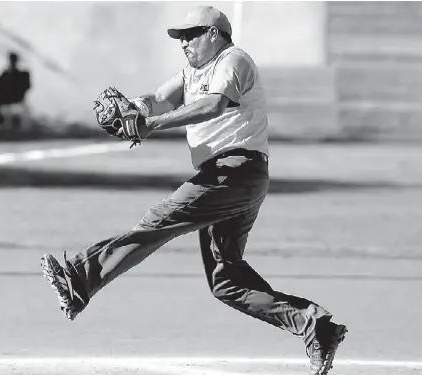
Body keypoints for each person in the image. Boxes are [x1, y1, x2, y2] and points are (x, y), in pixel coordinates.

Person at [40, 6, 347, 375]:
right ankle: (315, 326)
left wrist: (149, 125)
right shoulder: (192, 72)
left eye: (191, 34)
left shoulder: (234, 60)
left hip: (234, 171)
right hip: (228, 178)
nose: (183, 42)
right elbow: (160, 96)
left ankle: (80, 279)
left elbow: (212, 105)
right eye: (180, 37)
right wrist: (137, 107)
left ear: (214, 34)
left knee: (159, 220)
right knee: (226, 281)